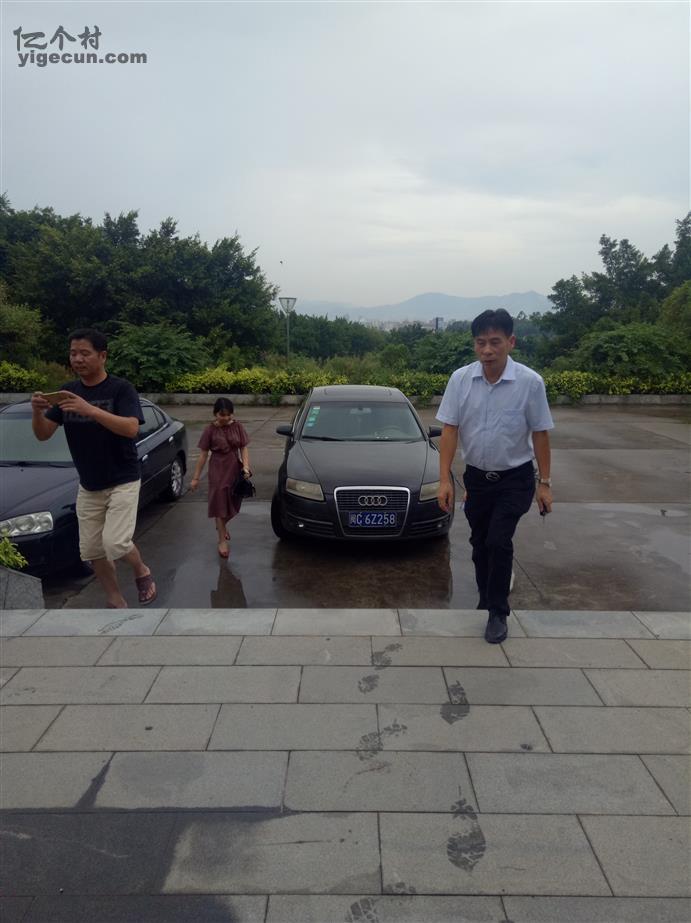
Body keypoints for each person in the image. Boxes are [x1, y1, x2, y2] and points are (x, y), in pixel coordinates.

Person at [436, 309, 554, 643]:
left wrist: (545, 484)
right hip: (476, 479)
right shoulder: (461, 379)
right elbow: (449, 430)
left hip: (515, 479)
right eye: (481, 342)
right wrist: (444, 480)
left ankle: (498, 612)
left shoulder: (529, 383)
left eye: (495, 342)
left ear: (510, 342)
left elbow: (541, 434)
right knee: (479, 544)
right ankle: (486, 598)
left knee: (498, 541)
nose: (487, 350)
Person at [31, 328, 157, 609]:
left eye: (84, 353)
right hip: (89, 484)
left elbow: (131, 428)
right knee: (91, 549)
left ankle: (141, 570)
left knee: (116, 543)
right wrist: (37, 412)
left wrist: (90, 410)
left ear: (102, 356)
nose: (77, 359)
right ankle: (115, 599)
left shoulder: (121, 389)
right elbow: (43, 434)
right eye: (73, 353)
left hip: (123, 479)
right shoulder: (67, 393)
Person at [189, 398, 251, 558]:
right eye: (222, 415)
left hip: (234, 468)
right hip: (217, 469)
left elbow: (244, 447)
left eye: (228, 415)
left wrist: (246, 466)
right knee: (219, 503)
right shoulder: (209, 430)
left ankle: (221, 524)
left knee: (235, 500)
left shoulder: (238, 427)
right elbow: (203, 455)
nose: (225, 418)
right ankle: (222, 540)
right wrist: (195, 478)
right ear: (215, 414)